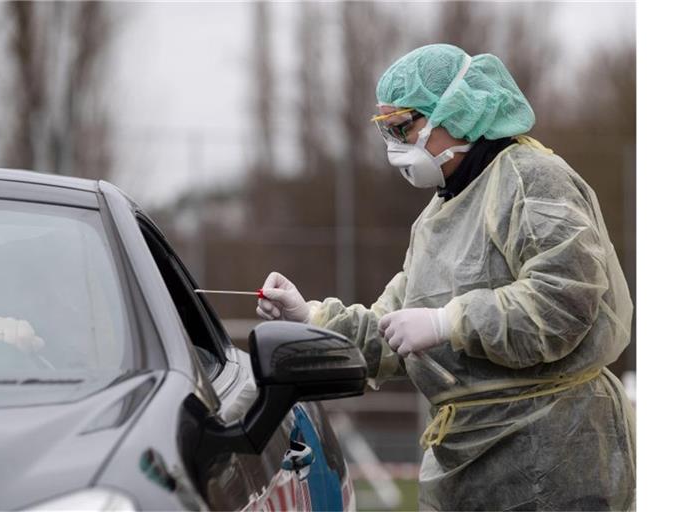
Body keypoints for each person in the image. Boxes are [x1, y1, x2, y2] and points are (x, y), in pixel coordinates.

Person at [256, 43, 635, 511]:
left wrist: (448, 323)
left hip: (553, 453)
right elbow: (394, 326)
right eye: (385, 131)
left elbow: (561, 304)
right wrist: (312, 317)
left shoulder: (533, 181)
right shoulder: (441, 213)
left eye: (402, 128)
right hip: (467, 462)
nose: (394, 147)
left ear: (457, 112)